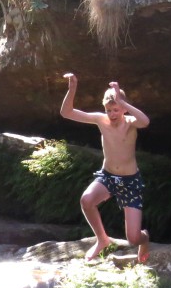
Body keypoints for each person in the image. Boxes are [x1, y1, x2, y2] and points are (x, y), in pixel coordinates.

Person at [60, 72, 150, 262]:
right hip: (108, 176)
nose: (112, 114)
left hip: (130, 181)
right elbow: (66, 113)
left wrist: (123, 102)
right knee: (86, 200)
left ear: (124, 109)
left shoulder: (131, 123)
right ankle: (102, 240)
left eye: (116, 109)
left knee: (133, 238)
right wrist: (72, 88)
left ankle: (145, 238)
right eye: (109, 110)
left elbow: (146, 121)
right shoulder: (101, 120)